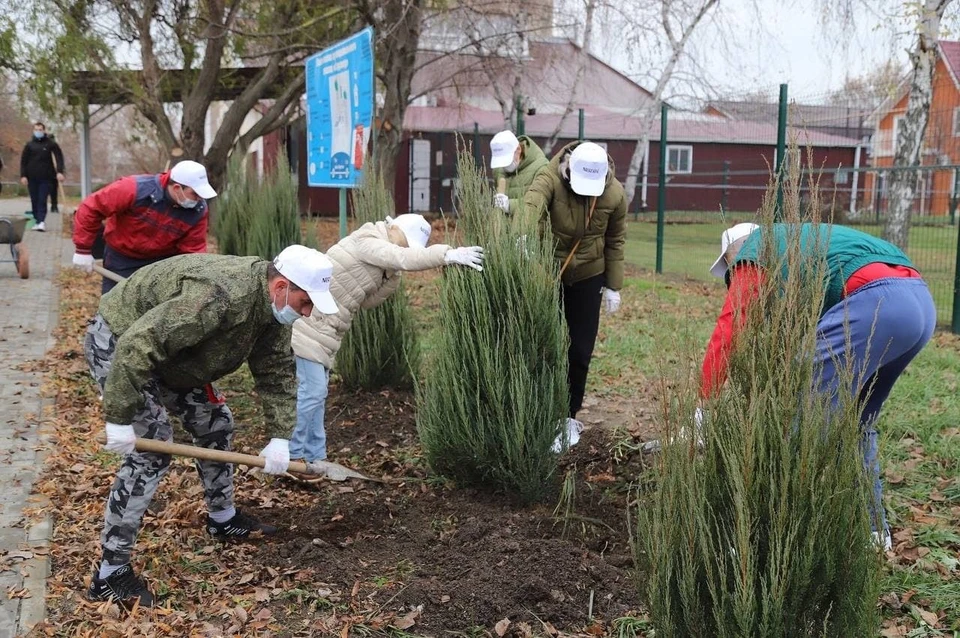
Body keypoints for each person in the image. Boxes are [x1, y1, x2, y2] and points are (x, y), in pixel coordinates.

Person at [83, 246, 339, 606]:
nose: (308, 313)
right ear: (281, 286)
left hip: (178, 358)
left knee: (216, 423)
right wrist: (120, 417)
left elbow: (277, 374)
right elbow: (140, 344)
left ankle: (222, 517)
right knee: (151, 450)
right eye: (305, 302)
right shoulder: (217, 296)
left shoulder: (273, 311)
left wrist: (281, 436)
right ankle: (109, 574)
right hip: (120, 343)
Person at [702, 222, 936, 551]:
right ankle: (872, 532)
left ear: (735, 251)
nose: (734, 277)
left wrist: (703, 402)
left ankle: (752, 538)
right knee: (857, 421)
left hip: (875, 304)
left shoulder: (756, 248)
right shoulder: (803, 248)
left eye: (730, 268)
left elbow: (731, 326)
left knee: (796, 414)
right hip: (919, 303)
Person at [288, 214, 484, 467]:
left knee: (317, 393)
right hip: (309, 324)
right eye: (404, 242)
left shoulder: (388, 268)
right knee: (312, 392)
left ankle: (314, 456)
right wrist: (446, 253)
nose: (404, 248)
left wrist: (389, 276)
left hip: (329, 332)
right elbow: (400, 257)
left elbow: (366, 300)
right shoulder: (367, 239)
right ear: (394, 228)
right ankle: (290, 454)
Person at [521, 141, 627, 438]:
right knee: (544, 344)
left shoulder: (615, 194)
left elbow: (616, 240)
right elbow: (530, 207)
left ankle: (567, 417)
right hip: (547, 272)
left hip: (589, 274)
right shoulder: (549, 177)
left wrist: (613, 286)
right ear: (569, 170)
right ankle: (536, 409)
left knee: (580, 350)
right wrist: (523, 238)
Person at [71, 160, 216, 293]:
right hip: (121, 258)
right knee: (113, 308)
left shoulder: (197, 211)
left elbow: (193, 249)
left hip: (161, 262)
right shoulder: (134, 189)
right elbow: (91, 208)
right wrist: (82, 249)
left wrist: (195, 278)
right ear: (177, 188)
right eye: (195, 194)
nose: (199, 199)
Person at [19, 121, 65, 232]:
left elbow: (59, 158)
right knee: (34, 199)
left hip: (46, 177)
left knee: (42, 199)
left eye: (40, 130)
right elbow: (23, 161)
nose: (38, 132)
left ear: (44, 131)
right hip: (32, 177)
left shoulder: (51, 144)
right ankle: (37, 220)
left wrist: (60, 171)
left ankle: (41, 222)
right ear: (33, 131)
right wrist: (23, 175)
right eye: (36, 130)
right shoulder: (29, 145)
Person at [489, 130, 548, 214]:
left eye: (506, 161)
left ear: (518, 149)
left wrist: (509, 205)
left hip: (527, 225)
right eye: (501, 162)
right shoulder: (499, 169)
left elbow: (540, 203)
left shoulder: (541, 167)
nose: (504, 166)